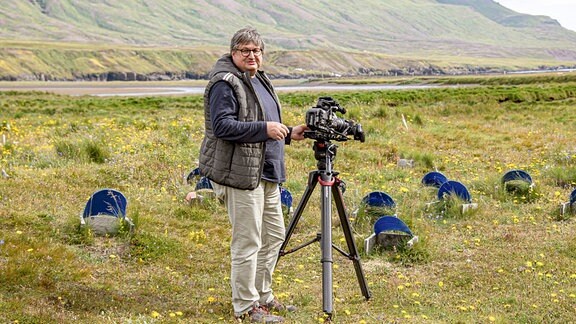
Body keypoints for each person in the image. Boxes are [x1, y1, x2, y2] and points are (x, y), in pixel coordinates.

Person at [198, 26, 307, 323]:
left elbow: (264, 123)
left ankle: (263, 296)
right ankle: (246, 308)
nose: (252, 55)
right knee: (248, 241)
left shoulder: (260, 79)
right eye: (245, 50)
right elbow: (222, 127)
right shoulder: (225, 83)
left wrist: (288, 133)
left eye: (257, 50)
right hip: (242, 175)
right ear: (233, 53)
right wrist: (264, 130)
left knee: (274, 236)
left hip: (268, 172)